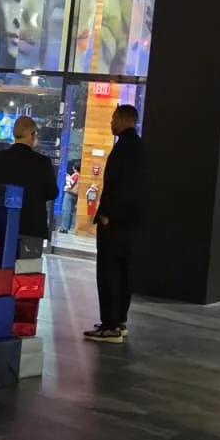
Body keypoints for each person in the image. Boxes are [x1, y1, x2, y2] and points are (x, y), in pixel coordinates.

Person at [84, 104, 146, 344]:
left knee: (109, 273)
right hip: (131, 225)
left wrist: (108, 213)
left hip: (116, 224)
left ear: (122, 119)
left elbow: (120, 186)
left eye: (113, 118)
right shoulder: (138, 148)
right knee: (123, 274)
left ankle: (109, 325)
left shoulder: (124, 149)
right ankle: (118, 322)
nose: (111, 123)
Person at [0, 116, 58, 255]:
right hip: (31, 227)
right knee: (26, 272)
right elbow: (52, 193)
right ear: (32, 136)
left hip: (0, 225)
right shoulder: (42, 163)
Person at [61, 162, 79, 232]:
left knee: (66, 210)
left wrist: (68, 178)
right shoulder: (81, 175)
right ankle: (68, 227)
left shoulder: (75, 175)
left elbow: (70, 184)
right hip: (76, 195)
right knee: (70, 211)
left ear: (74, 168)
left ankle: (64, 228)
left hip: (70, 194)